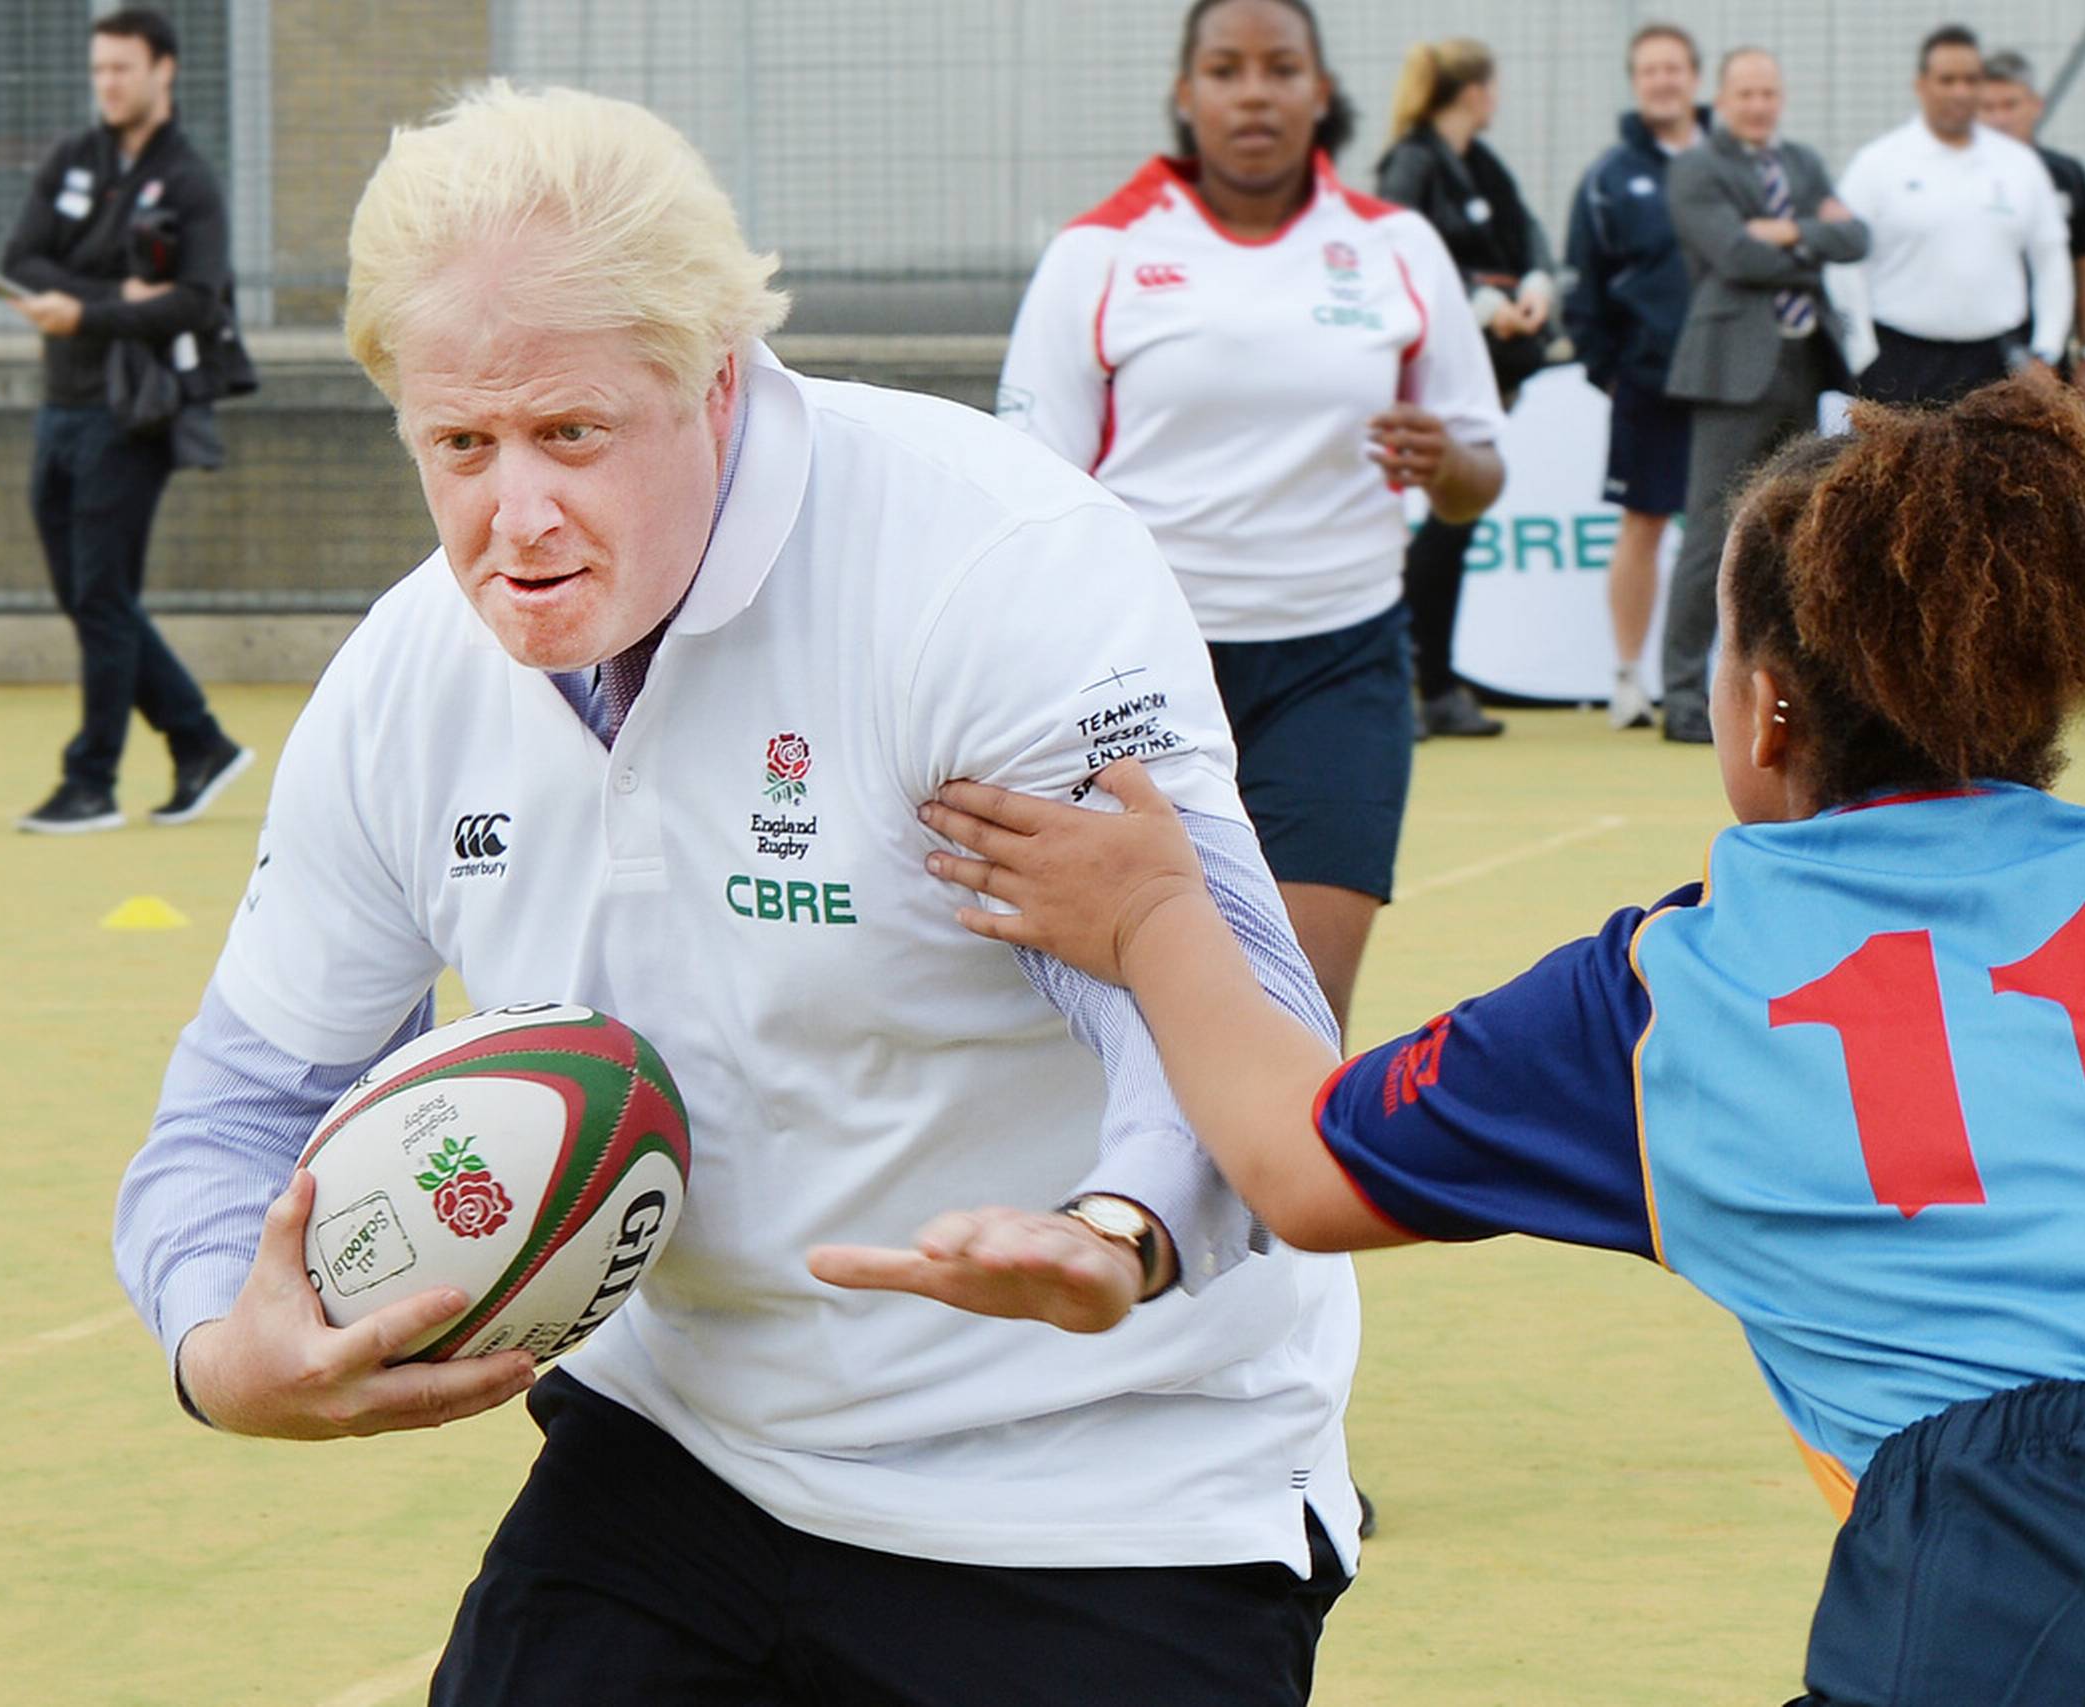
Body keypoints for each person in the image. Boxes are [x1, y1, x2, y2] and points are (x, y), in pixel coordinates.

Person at [113, 81, 1364, 1706]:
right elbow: (239, 1101)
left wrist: (1120, 1228)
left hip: (1106, 1483)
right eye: (462, 447)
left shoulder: (988, 576)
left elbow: (1233, 1006)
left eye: (571, 433)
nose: (518, 515)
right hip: (685, 1451)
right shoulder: (408, 683)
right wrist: (226, 1348)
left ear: (713, 382)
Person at [918, 378, 2085, 1703]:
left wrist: (1155, 921)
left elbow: (1298, 1160)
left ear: (1764, 715)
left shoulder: (1670, 988)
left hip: (2025, 1565)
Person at [997, 0, 1505, 1036]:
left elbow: (1478, 473)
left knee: (1300, 1011)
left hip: (1342, 663)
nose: (1255, 91)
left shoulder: (1396, 247)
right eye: (1225, 70)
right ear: (1187, 97)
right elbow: (1027, 489)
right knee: (1145, 1009)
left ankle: (1280, 1205)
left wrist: (1445, 460)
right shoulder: (1098, 255)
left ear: (1319, 93)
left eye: (1281, 68)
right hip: (1144, 672)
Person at [1, 7, 251, 834]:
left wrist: (84, 307)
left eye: (122, 69)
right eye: (99, 69)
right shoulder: (75, 158)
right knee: (85, 594)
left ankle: (92, 780)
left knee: (103, 593)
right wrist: (113, 298)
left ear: (163, 72)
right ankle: (199, 740)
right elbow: (20, 261)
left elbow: (198, 295)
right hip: (60, 405)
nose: (107, 83)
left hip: (135, 414)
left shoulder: (189, 179)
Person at [1655, 48, 1863, 746]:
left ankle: (1787, 694)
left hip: (1803, 367)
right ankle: (1683, 693)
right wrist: (1813, 237)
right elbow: (1736, 255)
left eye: (1768, 92)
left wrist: (1789, 229)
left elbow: (1856, 236)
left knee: (1793, 533)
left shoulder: (1800, 163)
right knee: (1713, 530)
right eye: (1745, 92)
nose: (1758, 104)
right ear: (1722, 96)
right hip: (1730, 371)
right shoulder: (1695, 167)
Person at [1376, 36, 1556, 741]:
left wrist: (1536, 288)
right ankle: (1419, 683)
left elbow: (1527, 236)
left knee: (1455, 526)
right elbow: (1399, 256)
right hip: (1431, 374)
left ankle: (1438, 683)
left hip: (1493, 367)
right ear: (1474, 89)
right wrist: (1481, 304)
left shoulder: (1481, 164)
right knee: (1434, 529)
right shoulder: (1412, 164)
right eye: (1493, 84)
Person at [1563, 22, 1706, 732]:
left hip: (1731, 385)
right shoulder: (1609, 178)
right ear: (1636, 81)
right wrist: (1608, 372)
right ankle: (1628, 677)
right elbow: (1583, 286)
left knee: (1740, 532)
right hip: (1648, 382)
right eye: (1649, 70)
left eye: (1673, 69)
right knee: (1643, 526)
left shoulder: (1731, 161)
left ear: (1695, 79)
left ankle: (1731, 683)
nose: (1662, 81)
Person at [1832, 25, 2072, 406]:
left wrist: (2046, 351)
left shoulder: (2018, 164)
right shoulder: (1877, 164)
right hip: (1898, 364)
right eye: (1947, 80)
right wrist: (1861, 353)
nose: (1960, 91)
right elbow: (1842, 260)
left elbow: (2051, 259)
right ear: (1921, 85)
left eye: (1970, 80)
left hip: (1995, 364)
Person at [1978, 50, 2085, 401]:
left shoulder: (2065, 175)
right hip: (1971, 354)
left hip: (2046, 354)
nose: (1999, 118)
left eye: (2010, 105)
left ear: (2035, 105)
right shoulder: (1957, 179)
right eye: (1988, 107)